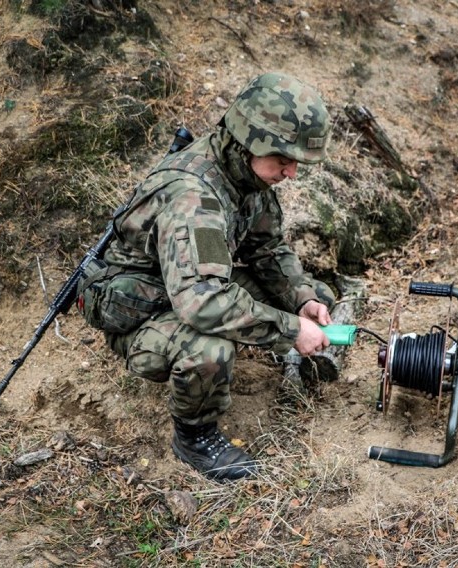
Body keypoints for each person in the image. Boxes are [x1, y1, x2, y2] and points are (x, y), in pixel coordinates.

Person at [78, 72, 337, 481]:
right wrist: (290, 330)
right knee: (209, 352)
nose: (291, 174)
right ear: (251, 141)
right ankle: (194, 437)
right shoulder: (194, 200)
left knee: (309, 295)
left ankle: (295, 339)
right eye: (284, 161)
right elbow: (204, 303)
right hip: (138, 309)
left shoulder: (246, 176)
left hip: (185, 284)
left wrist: (302, 299)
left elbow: (267, 248)